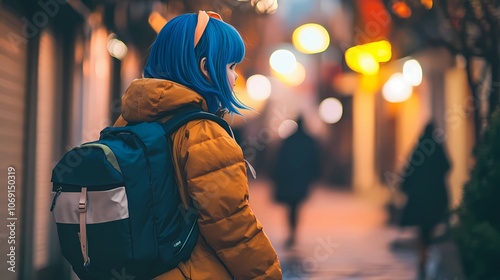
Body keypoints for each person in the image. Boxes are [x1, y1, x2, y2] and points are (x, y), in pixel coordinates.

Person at [114, 11, 282, 280]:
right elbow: (233, 227)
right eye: (230, 66)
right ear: (205, 68)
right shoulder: (204, 133)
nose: (236, 77)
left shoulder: (127, 121)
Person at [398, 122, 450, 279]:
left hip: (420, 200)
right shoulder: (438, 150)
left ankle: (424, 256)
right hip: (435, 198)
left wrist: (406, 188)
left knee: (422, 230)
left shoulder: (419, 150)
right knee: (430, 228)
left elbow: (408, 172)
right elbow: (448, 166)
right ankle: (426, 255)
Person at [271, 117, 321, 248]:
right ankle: (293, 232)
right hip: (301, 180)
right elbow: (315, 160)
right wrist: (313, 176)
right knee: (295, 207)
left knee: (291, 207)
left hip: (289, 179)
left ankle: (292, 233)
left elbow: (279, 160)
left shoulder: (289, 140)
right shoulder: (309, 140)